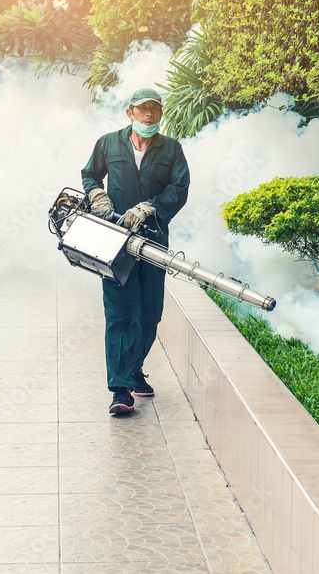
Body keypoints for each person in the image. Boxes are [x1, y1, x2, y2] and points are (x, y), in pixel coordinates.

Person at [81, 87, 190, 414]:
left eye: (155, 109)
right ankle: (121, 389)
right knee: (120, 313)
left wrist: (150, 207)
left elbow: (179, 188)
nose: (149, 115)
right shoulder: (108, 143)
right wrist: (97, 196)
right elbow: (89, 175)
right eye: (143, 109)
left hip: (152, 238)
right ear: (130, 113)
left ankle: (133, 369)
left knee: (149, 312)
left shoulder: (171, 149)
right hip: (114, 241)